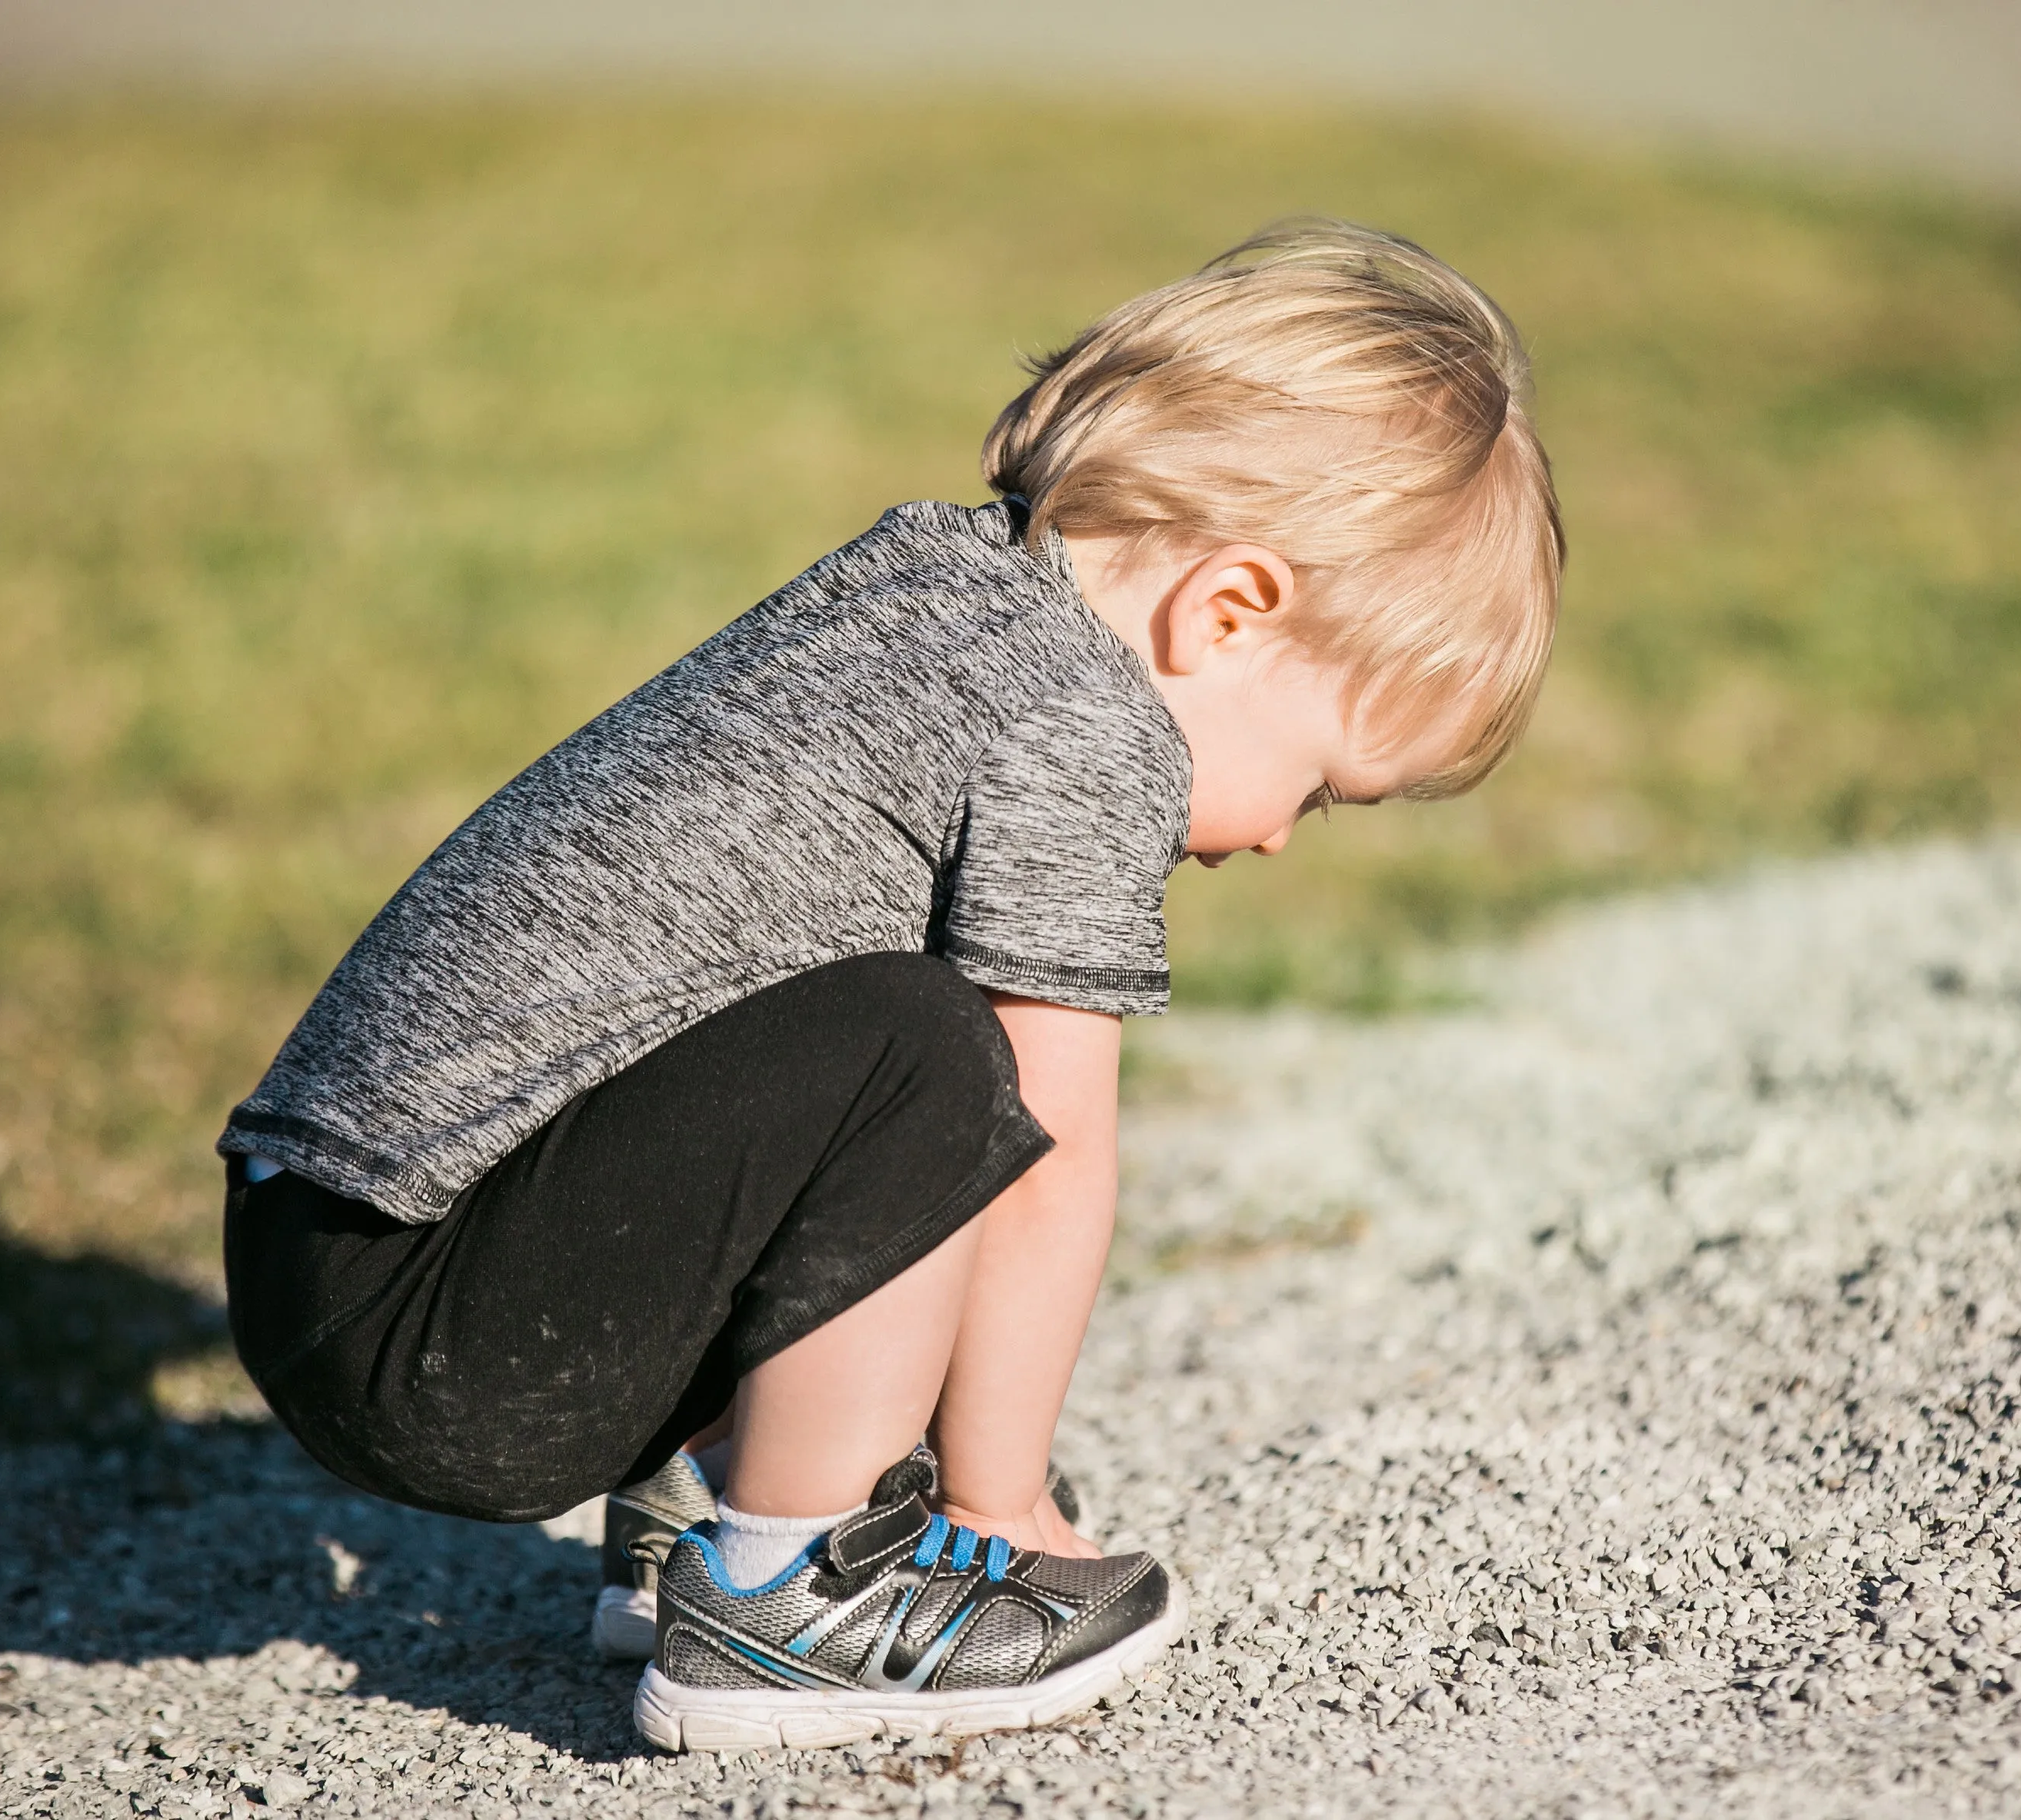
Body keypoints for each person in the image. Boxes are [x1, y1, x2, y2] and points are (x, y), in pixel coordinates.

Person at [216, 220, 1563, 1751]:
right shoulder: (1081, 726)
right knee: (919, 1050)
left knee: (850, 1018)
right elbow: (1046, 1162)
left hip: (333, 1246)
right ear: (1228, 611)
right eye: (1318, 786)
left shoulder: (933, 590)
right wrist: (998, 1504)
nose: (1271, 836)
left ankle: (711, 1495)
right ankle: (795, 1587)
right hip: (437, 1325)